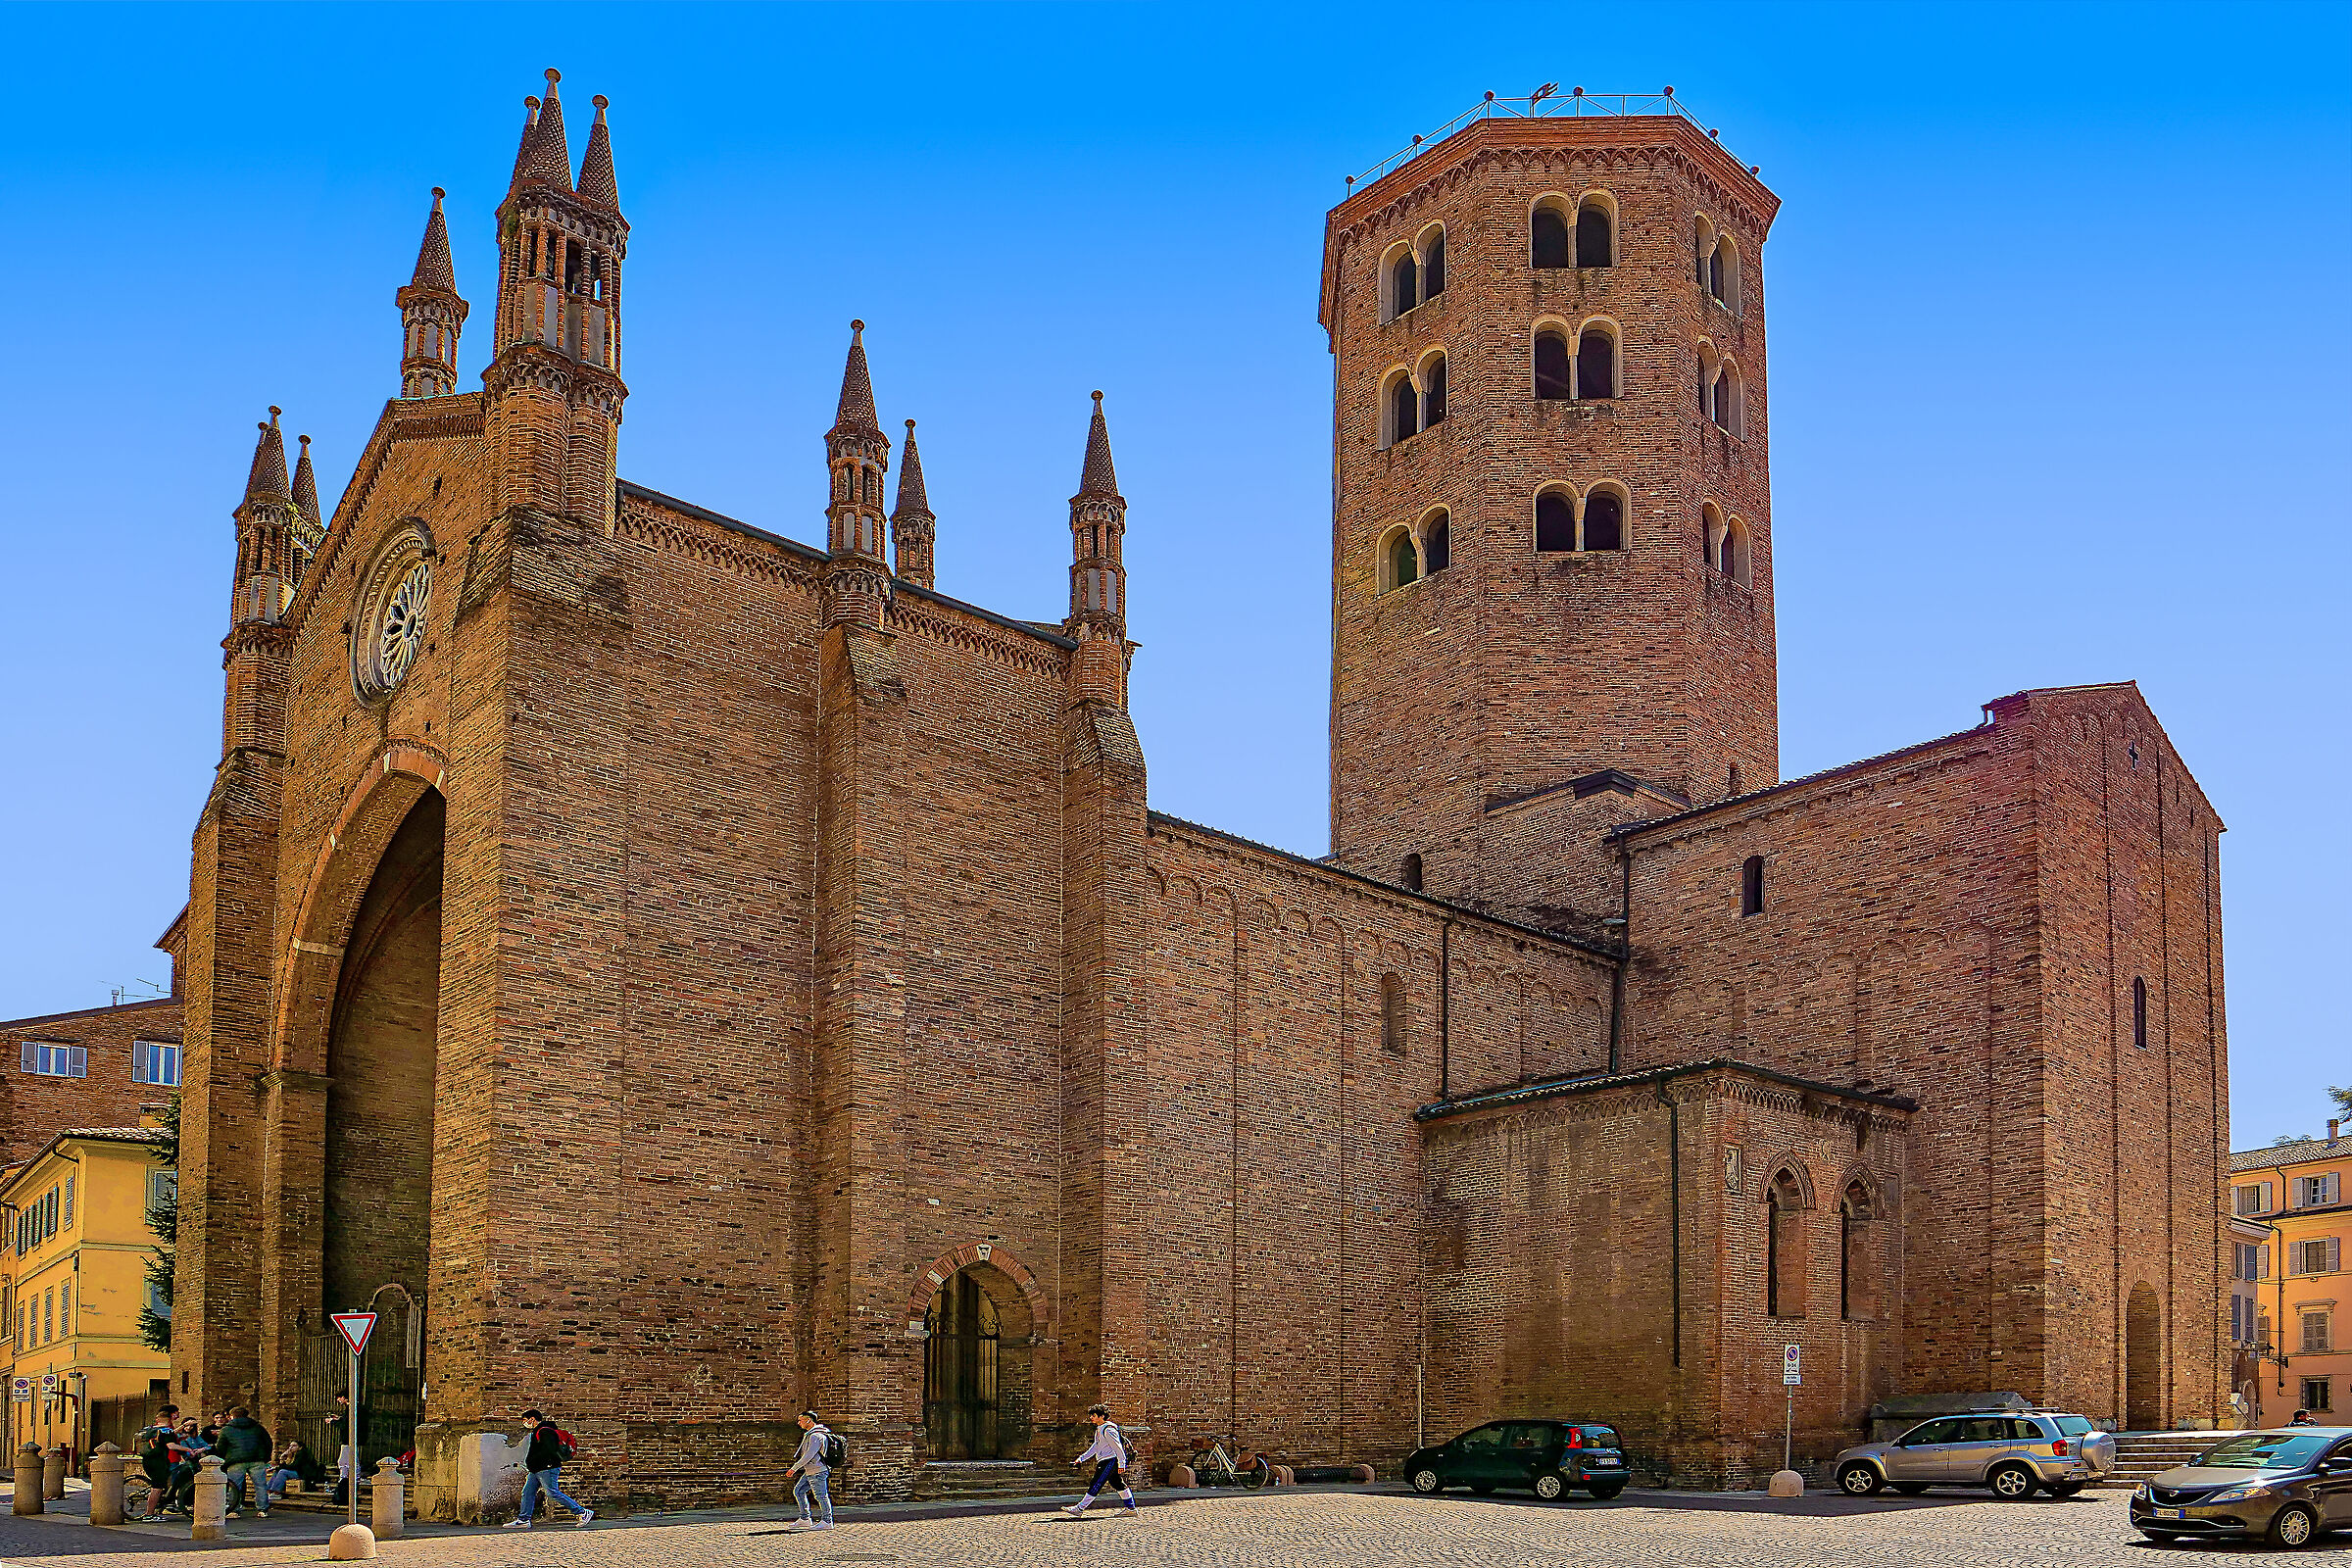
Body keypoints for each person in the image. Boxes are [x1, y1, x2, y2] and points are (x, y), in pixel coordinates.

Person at [502, 1409, 592, 1529]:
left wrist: (538, 1462)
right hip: (536, 1469)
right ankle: (524, 1519)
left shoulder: (545, 1431)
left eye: (524, 1420)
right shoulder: (538, 1431)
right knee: (527, 1493)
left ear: (532, 1419)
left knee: (552, 1492)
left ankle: (582, 1512)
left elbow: (549, 1450)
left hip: (546, 1468)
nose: (524, 1423)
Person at [1061, 1403, 1140, 1518]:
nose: (1091, 1418)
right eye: (1091, 1415)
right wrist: (1081, 1459)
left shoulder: (1108, 1430)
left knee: (1096, 1482)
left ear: (1102, 1416)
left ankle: (1080, 1508)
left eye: (1093, 1415)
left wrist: (1122, 1463)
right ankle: (1130, 1508)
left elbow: (1118, 1447)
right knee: (1117, 1483)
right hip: (1106, 1460)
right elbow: (1096, 1446)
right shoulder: (1100, 1429)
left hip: (1109, 1461)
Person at [216, 1405, 273, 1518]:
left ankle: (234, 1510)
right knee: (260, 1485)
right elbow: (268, 1442)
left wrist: (225, 1459)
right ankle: (263, 1509)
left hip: (235, 1461)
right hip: (257, 1459)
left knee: (235, 1486)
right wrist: (265, 1457)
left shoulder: (226, 1429)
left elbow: (221, 1446)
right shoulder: (257, 1427)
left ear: (232, 1416)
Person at [784, 1410, 834, 1532]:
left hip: (817, 1470)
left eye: (800, 1420)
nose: (798, 1423)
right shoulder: (811, 1434)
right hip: (810, 1470)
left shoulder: (816, 1436)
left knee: (821, 1496)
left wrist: (794, 1468)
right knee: (799, 1490)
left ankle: (827, 1521)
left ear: (809, 1420)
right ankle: (805, 1519)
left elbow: (808, 1455)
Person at [134, 1417, 178, 1522]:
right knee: (157, 1488)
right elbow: (171, 1445)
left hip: (148, 1460)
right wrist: (188, 1449)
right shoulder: (166, 1430)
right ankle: (149, 1514)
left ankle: (157, 1508)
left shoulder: (149, 1429)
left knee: (159, 1486)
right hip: (159, 1461)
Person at [265, 1438, 322, 1504]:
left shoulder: (301, 1454)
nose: (291, 1448)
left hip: (303, 1474)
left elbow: (293, 1467)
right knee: (277, 1472)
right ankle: (268, 1491)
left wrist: (281, 1462)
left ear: (300, 1447)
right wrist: (283, 1459)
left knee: (282, 1472)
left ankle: (277, 1493)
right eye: (290, 1446)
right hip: (296, 1472)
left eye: (294, 1446)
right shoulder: (293, 1454)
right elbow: (287, 1465)